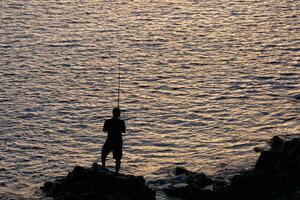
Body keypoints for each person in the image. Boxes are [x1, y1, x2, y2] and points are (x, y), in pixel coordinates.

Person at [101, 107, 126, 173]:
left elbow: (104, 130)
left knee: (104, 154)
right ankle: (116, 172)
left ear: (113, 113)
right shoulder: (122, 122)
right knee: (118, 158)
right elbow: (123, 131)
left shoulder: (107, 121)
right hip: (118, 141)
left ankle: (103, 167)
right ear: (119, 114)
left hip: (110, 140)